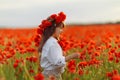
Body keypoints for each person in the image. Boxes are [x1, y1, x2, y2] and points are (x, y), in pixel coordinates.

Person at [38, 12, 80, 80]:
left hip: (48, 74)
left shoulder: (48, 42)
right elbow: (57, 62)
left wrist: (61, 55)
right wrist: (72, 56)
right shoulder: (52, 44)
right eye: (60, 28)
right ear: (53, 28)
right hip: (51, 76)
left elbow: (51, 58)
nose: (61, 31)